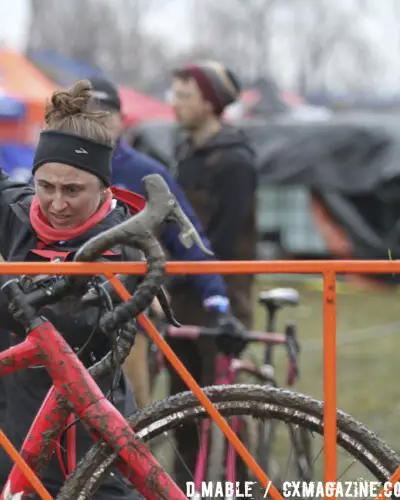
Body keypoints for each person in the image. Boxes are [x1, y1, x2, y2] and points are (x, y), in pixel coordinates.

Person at [0, 80, 145, 499]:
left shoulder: (123, 242)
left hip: (88, 440)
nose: (56, 203)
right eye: (46, 185)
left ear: (104, 188)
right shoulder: (26, 212)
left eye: (73, 190)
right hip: (13, 426)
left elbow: (68, 316)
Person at [86, 76, 237, 411]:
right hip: (64, 315)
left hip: (126, 317)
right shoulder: (57, 171)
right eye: (85, 115)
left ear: (121, 120)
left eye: (103, 114)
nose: (94, 123)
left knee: (130, 420)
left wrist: (216, 299)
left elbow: (188, 236)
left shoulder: (146, 173)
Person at [168, 61, 258, 484]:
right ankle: (182, 488)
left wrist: (187, 273)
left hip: (223, 298)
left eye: (184, 94)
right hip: (182, 298)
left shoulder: (235, 160)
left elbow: (220, 237)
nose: (175, 103)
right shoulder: (185, 154)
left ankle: (241, 488)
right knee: (180, 408)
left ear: (210, 102)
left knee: (227, 410)